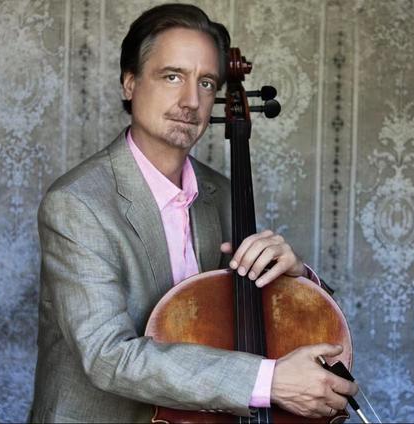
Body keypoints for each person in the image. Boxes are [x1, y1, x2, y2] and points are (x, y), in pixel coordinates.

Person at [30, 3, 357, 422]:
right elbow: (107, 355)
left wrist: (294, 278)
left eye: (205, 83)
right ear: (130, 83)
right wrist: (269, 380)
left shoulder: (221, 194)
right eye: (172, 77)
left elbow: (253, 323)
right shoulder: (78, 204)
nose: (191, 101)